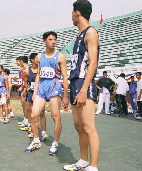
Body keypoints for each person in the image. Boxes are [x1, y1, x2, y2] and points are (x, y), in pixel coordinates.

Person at [64, 1, 100, 170]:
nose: (71, 16)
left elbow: (92, 64)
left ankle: (93, 166)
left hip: (84, 83)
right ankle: (83, 160)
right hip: (74, 82)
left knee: (88, 126)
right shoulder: (78, 36)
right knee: (78, 126)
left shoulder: (91, 32)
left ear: (77, 13)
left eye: (72, 12)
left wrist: (84, 89)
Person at [25, 31, 69, 156]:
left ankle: (55, 143)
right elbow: (39, 74)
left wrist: (66, 96)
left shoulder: (60, 57)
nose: (53, 41)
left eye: (55, 39)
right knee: (34, 115)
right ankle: (36, 140)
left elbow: (65, 77)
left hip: (54, 87)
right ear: (44, 41)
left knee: (55, 117)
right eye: (50, 39)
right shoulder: (39, 57)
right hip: (41, 88)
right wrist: (35, 92)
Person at [22, 53, 49, 139]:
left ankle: (44, 132)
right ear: (33, 60)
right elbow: (26, 83)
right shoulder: (26, 71)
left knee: (42, 113)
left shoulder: (41, 70)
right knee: (31, 112)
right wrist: (25, 90)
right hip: (30, 93)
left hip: (40, 93)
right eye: (37, 58)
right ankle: (31, 129)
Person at [13, 57, 28, 127]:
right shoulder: (21, 70)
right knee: (23, 105)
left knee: (26, 105)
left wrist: (23, 87)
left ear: (20, 61)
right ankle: (25, 119)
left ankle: (27, 121)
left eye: (17, 61)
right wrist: (17, 81)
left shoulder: (25, 69)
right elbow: (22, 80)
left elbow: (26, 81)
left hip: (24, 89)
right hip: (22, 88)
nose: (16, 63)